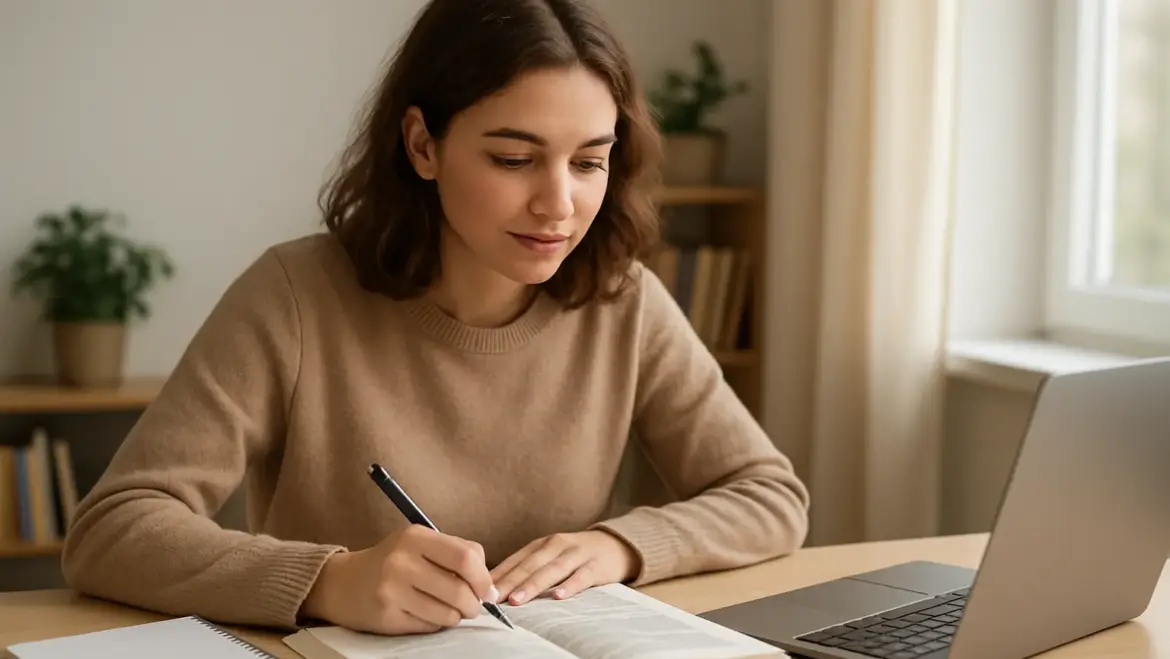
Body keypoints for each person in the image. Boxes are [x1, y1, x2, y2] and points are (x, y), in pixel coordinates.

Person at [60, 0, 810, 637]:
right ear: (423, 145)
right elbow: (113, 527)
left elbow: (769, 496)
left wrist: (622, 545)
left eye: (588, 162)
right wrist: (329, 580)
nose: (559, 204)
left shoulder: (623, 298)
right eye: (514, 159)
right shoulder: (294, 294)